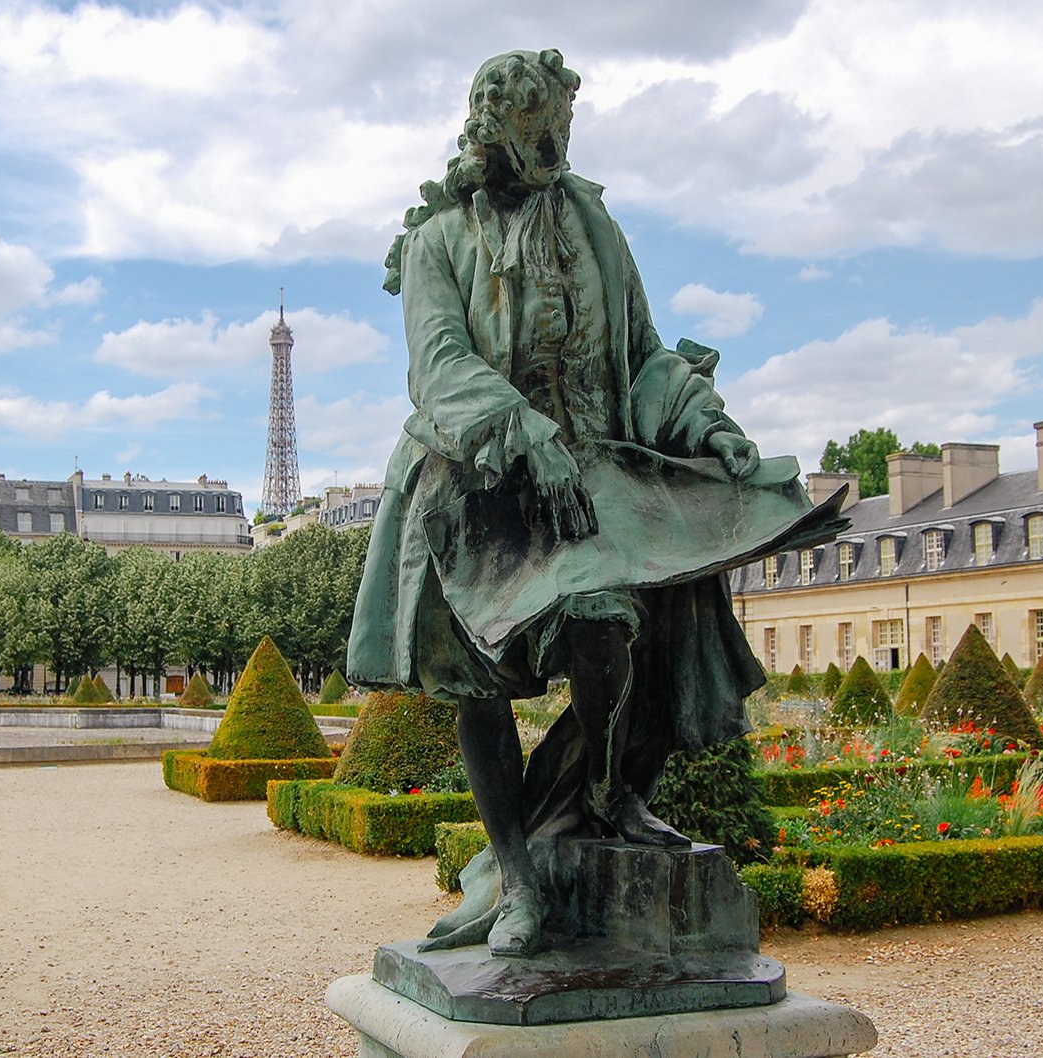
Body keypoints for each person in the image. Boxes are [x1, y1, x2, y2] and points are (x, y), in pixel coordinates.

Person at [347, 49, 843, 958]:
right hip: (480, 485)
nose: (558, 148)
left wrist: (705, 423)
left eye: (566, 131)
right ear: (497, 129)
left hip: (592, 478)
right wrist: (520, 430)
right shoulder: (436, 241)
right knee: (480, 686)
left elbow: (647, 355)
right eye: (542, 133)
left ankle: (608, 791)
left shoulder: (595, 225)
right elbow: (439, 366)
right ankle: (520, 878)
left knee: (610, 626)